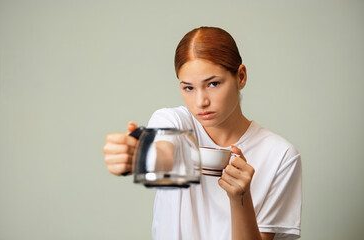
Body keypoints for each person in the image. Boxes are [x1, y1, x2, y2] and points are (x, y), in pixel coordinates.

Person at [103, 26, 302, 240]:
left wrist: (240, 199)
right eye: (188, 88)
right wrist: (137, 155)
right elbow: (164, 149)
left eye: (213, 84)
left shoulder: (280, 156)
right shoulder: (174, 121)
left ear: (241, 76)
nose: (201, 102)